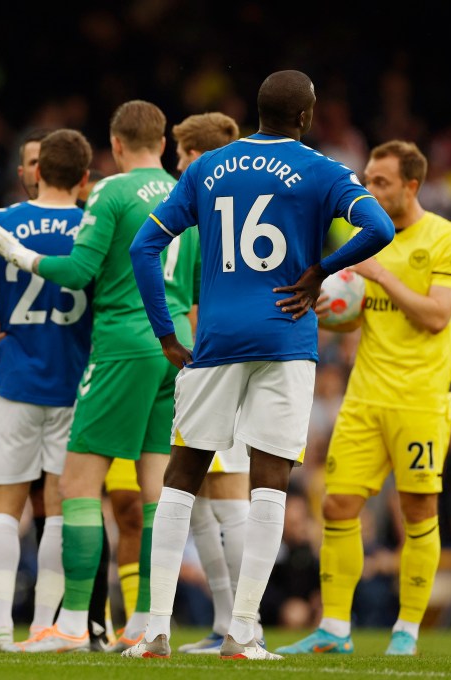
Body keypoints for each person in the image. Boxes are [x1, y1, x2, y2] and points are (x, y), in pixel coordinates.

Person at [124, 69, 394, 660]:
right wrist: (320, 269)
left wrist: (167, 334)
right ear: (307, 115)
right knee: (269, 482)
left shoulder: (206, 168)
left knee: (182, 475)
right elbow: (379, 227)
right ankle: (242, 631)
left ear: (257, 110)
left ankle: (154, 632)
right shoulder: (323, 170)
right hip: (285, 337)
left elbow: (143, 247)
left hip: (215, 339)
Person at [0, 100, 196, 653]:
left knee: (76, 487)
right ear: (166, 142)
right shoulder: (188, 192)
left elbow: (77, 273)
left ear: (116, 146)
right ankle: (150, 620)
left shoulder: (112, 192)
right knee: (157, 492)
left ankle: (73, 623)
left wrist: (17, 253)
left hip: (121, 344)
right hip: (173, 347)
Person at [277, 140, 451, 657]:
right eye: (366, 178)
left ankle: (406, 632)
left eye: (381, 181)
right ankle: (334, 628)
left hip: (420, 400)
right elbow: (360, 314)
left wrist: (381, 273)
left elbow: (434, 316)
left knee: (417, 512)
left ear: (412, 185)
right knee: (338, 504)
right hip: (365, 396)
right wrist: (327, 307)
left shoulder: (449, 239)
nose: (369, 189)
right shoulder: (365, 240)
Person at [0, 129, 94, 652]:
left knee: (4, 505)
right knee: (61, 506)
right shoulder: (94, 225)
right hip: (76, 382)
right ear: (85, 178)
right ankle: (44, 626)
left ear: (36, 171)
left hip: (15, 376)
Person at [163, 112, 257, 655]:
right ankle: (227, 620)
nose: (179, 166)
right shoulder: (226, 204)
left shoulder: (209, 211)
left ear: (203, 156)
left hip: (221, 360)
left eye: (183, 155)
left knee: (228, 494)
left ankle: (247, 622)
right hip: (227, 357)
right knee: (199, 502)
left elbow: (202, 299)